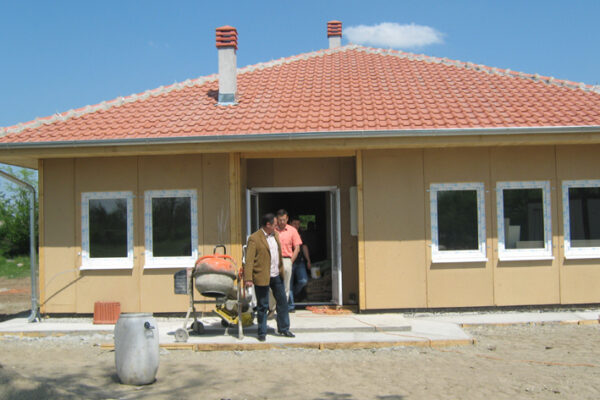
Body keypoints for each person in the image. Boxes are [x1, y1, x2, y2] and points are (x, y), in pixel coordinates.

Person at [244, 213, 295, 341]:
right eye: (275, 224)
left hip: (276, 274)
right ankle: (262, 332)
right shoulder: (254, 238)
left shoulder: (275, 235)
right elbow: (249, 260)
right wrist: (248, 278)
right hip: (262, 275)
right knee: (263, 305)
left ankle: (284, 328)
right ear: (268, 224)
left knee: (282, 302)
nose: (276, 226)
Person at [274, 209, 302, 310]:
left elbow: (297, 248)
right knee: (272, 285)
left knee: (285, 286)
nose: (282, 222)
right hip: (273, 261)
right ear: (277, 219)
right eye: (280, 220)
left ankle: (283, 308)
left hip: (286, 260)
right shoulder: (272, 230)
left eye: (284, 220)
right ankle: (272, 307)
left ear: (287, 219)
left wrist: (290, 262)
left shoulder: (292, 230)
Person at [289, 217, 311, 311]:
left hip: (300, 262)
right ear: (290, 223)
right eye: (295, 224)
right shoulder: (286, 232)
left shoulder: (301, 233)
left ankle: (292, 294)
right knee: (288, 284)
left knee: (304, 280)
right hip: (289, 261)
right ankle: (290, 306)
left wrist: (308, 260)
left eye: (298, 224)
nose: (297, 226)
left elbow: (304, 247)